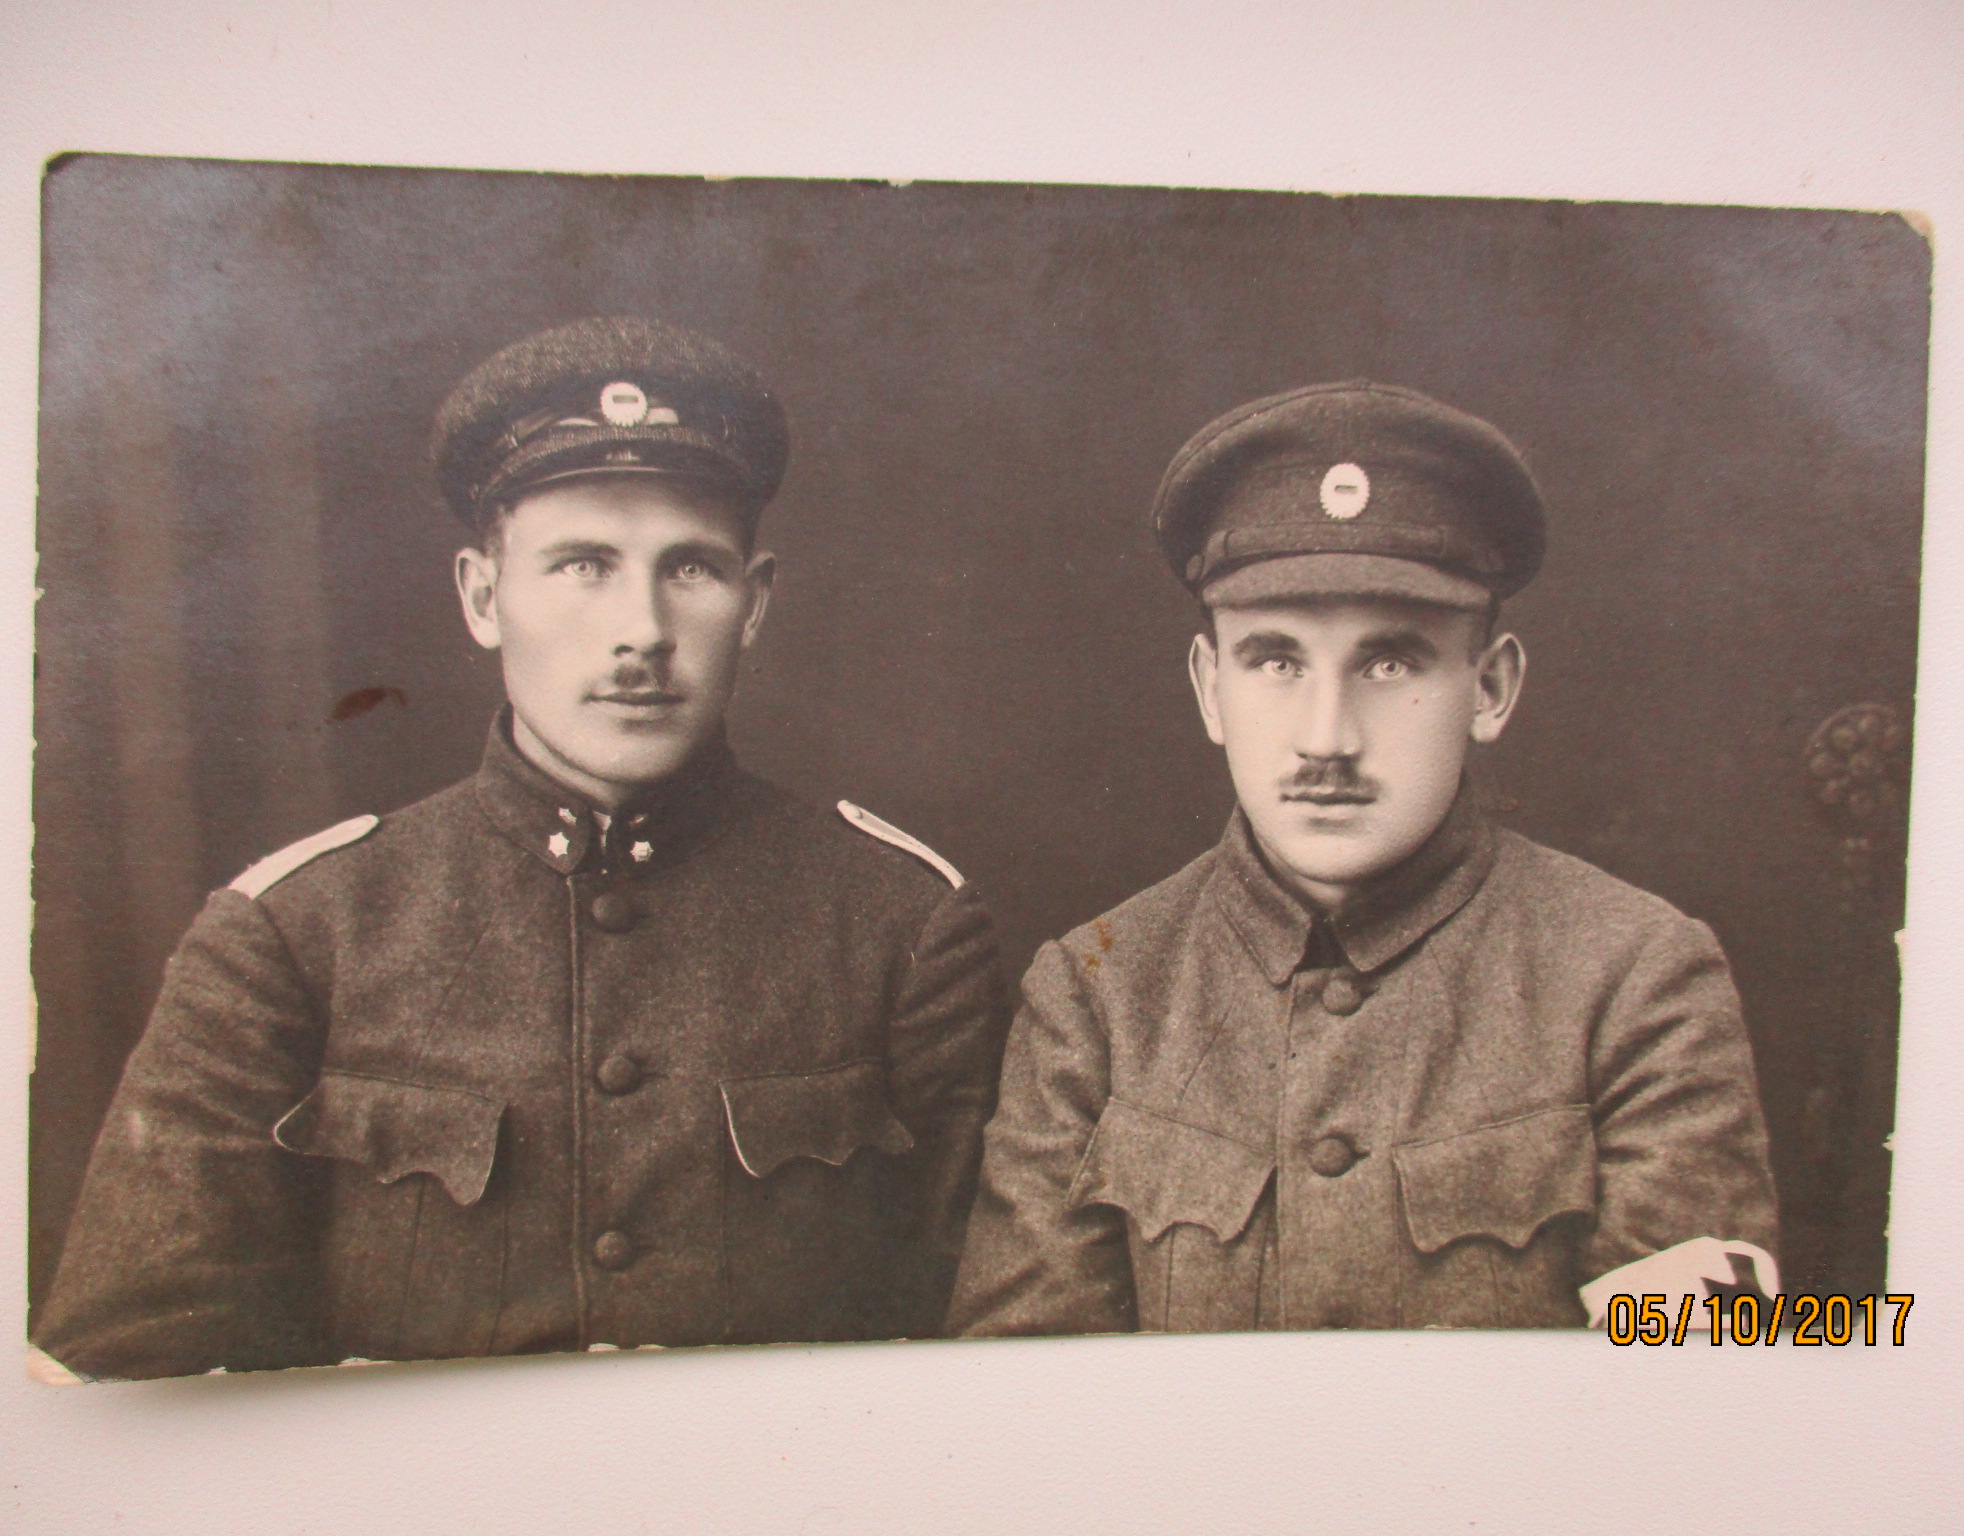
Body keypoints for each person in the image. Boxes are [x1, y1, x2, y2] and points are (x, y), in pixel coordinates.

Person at [35, 317, 1006, 1379]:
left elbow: (995, 1363)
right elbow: (128, 1369)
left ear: (755, 603)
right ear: (483, 597)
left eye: (690, 568)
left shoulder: (902, 925)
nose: (641, 629)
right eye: (583, 565)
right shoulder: (294, 934)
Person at [946, 381, 1779, 1336]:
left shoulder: (1636, 978)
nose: (1327, 738)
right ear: (1211, 689)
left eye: (1391, 664)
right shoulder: (1097, 993)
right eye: (1277, 662)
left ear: (1491, 688)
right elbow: (1029, 1396)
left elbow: (1696, 1387)